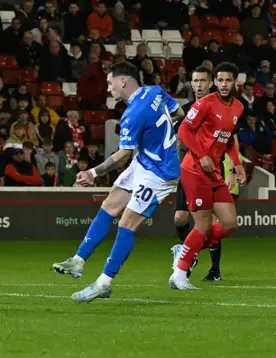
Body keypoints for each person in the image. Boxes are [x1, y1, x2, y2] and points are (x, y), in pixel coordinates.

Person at [52, 61, 184, 302]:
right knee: (110, 205)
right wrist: (166, 138)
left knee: (127, 224)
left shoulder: (132, 114)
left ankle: (104, 283)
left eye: (110, 82)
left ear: (123, 81)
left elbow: (123, 154)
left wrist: (92, 173)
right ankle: (78, 261)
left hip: (159, 174)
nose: (109, 87)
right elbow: (179, 113)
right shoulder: (154, 90)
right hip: (145, 162)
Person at [169, 62, 247, 290]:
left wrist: (237, 163)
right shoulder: (205, 103)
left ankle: (184, 250)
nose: (223, 84)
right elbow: (184, 129)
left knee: (231, 224)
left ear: (236, 82)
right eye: (220, 80)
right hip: (194, 169)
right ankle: (180, 275)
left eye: (228, 80)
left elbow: (229, 138)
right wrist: (201, 155)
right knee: (202, 226)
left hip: (214, 171)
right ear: (215, 82)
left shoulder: (239, 108)